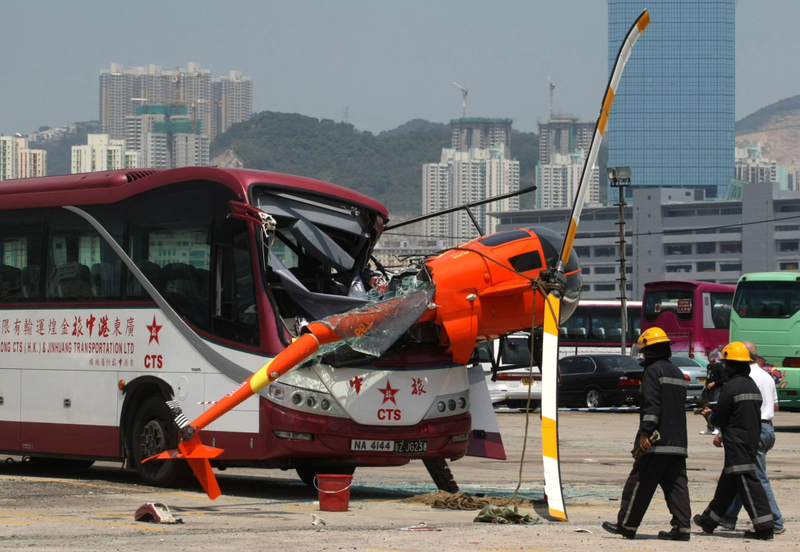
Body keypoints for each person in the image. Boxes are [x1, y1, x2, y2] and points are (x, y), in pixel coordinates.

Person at [602, 327, 691, 541]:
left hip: (656, 442)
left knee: (638, 483)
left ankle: (626, 525)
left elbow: (652, 405)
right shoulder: (677, 372)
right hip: (678, 442)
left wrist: (645, 433)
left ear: (649, 351)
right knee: (676, 486)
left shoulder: (652, 372)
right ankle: (682, 528)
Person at [694, 342, 775, 540]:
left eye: (726, 363)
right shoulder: (750, 385)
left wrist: (709, 416)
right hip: (749, 440)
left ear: (730, 365)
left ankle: (764, 527)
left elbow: (720, 418)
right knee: (729, 481)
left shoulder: (731, 387)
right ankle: (709, 520)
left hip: (737, 443)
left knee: (748, 482)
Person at [721, 341, 784, 534]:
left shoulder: (745, 378)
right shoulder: (766, 376)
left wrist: (720, 433)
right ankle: (729, 517)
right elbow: (775, 407)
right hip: (768, 428)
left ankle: (776, 520)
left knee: (757, 477)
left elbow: (738, 410)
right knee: (745, 474)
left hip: (752, 430)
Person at [700, 357, 725, 435]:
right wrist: (706, 385)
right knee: (709, 407)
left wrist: (714, 383)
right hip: (709, 390)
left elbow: (724, 378)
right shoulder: (709, 366)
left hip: (717, 389)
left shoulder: (719, 367)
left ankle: (717, 428)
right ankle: (710, 427)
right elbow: (708, 377)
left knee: (716, 407)